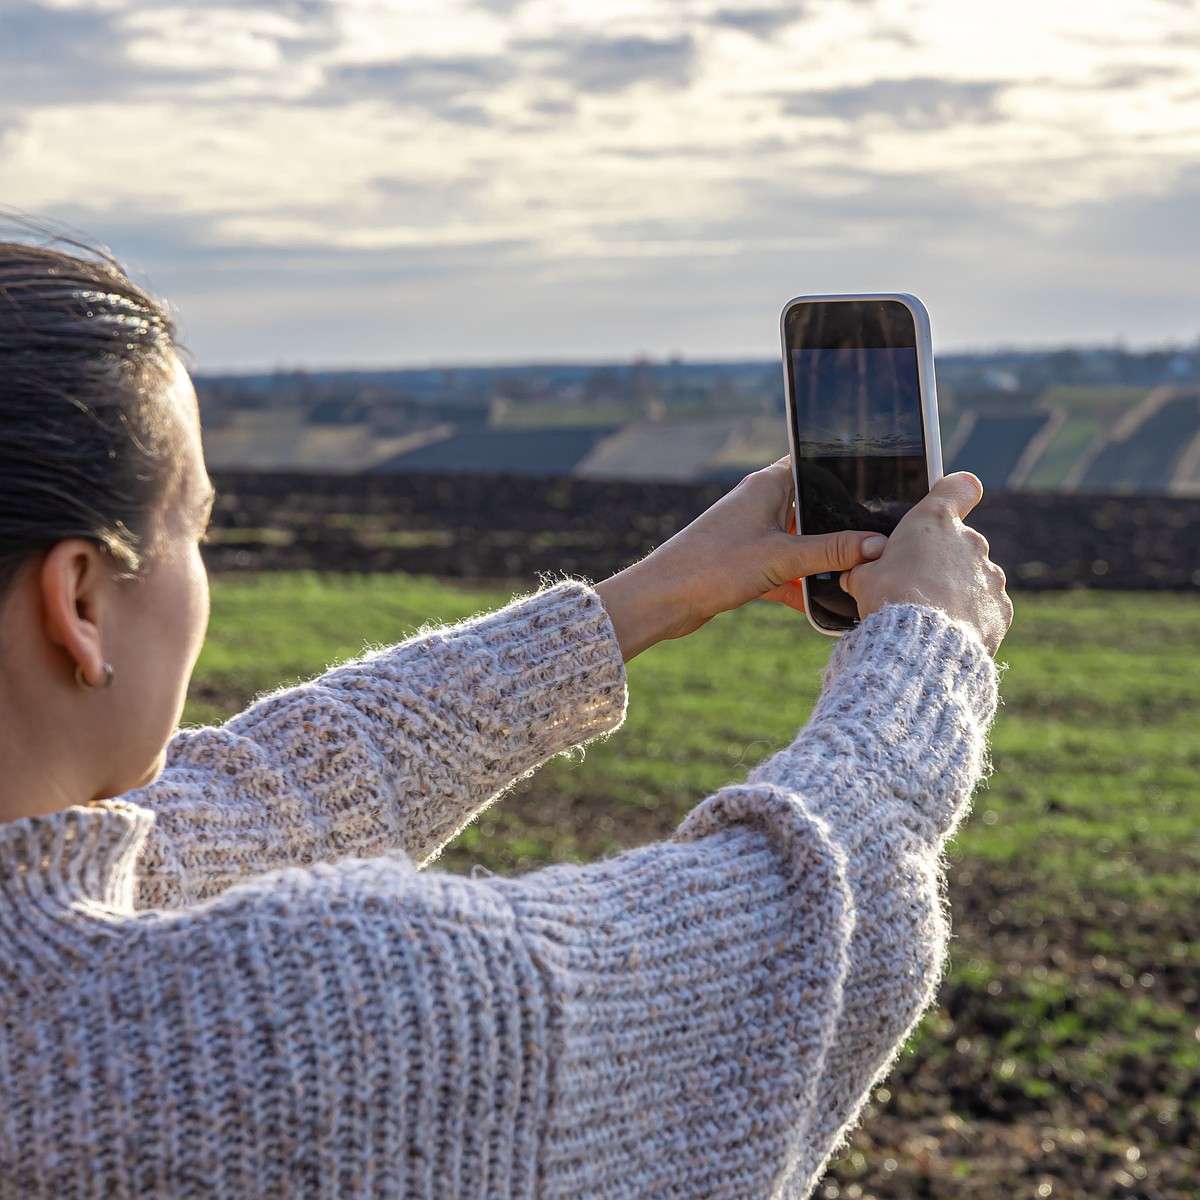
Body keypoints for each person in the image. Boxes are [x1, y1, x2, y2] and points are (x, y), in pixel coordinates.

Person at [0, 235, 1010, 1200]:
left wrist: (646, 599)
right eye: (196, 530)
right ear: (81, 603)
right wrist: (928, 651)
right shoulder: (286, 1015)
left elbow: (266, 800)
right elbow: (788, 938)